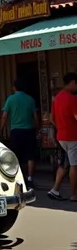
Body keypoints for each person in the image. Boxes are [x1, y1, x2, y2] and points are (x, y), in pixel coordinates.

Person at [0, 79, 39, 186]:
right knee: (30, 155)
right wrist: (37, 129)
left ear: (14, 87)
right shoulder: (30, 99)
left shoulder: (10, 99)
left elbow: (4, 116)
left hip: (16, 131)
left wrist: (1, 130)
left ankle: (18, 177)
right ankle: (30, 178)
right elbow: (35, 117)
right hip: (29, 130)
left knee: (15, 155)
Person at [48, 72, 77, 202]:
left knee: (64, 164)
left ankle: (54, 190)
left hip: (61, 136)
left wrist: (60, 127)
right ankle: (73, 195)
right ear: (72, 83)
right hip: (72, 136)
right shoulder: (72, 99)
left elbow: (51, 118)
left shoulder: (57, 98)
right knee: (74, 166)